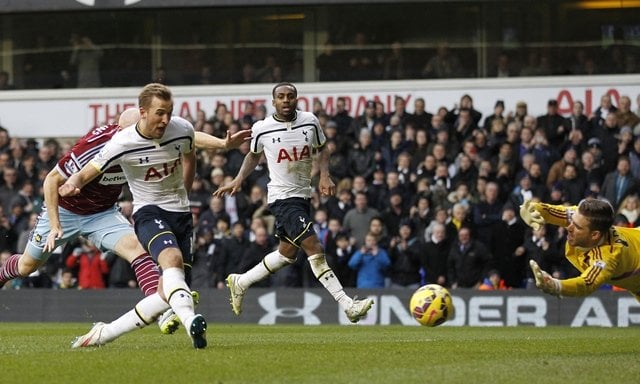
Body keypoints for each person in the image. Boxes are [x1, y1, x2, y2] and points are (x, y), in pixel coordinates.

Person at [61, 84, 248, 349]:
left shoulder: (179, 128)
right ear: (143, 112)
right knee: (171, 260)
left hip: (181, 214)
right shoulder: (123, 142)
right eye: (160, 113)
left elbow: (192, 140)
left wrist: (223, 144)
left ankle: (104, 334)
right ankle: (191, 320)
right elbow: (91, 169)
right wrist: (73, 183)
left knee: (167, 291)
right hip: (149, 212)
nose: (166, 119)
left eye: (169, 113)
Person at [213, 82, 373, 323]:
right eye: (281, 97)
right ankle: (347, 304)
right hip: (281, 198)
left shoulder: (310, 121)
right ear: (273, 101)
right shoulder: (262, 128)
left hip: (303, 196)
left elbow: (323, 148)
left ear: (297, 99)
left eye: (290, 96)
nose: (286, 100)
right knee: (314, 247)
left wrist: (325, 175)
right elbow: (253, 155)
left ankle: (241, 281)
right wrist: (238, 179)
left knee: (286, 254)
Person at [520, 197, 640, 300]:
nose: (569, 227)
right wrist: (532, 209)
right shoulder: (581, 217)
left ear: (595, 235)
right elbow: (551, 211)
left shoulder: (608, 255)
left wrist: (557, 286)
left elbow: (587, 284)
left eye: (577, 227)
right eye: (571, 221)